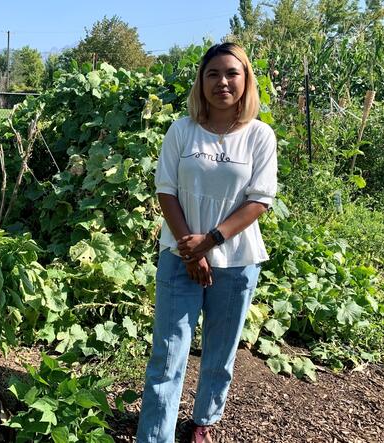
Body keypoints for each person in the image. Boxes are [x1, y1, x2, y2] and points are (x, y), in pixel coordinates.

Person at [136, 42, 278, 443]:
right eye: (212, 74)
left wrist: (209, 242)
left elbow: (259, 199)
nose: (222, 82)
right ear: (201, 82)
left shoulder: (259, 136)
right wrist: (189, 248)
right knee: (167, 353)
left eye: (232, 73)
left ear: (246, 80)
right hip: (178, 256)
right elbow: (166, 191)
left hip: (236, 260)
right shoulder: (182, 130)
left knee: (220, 351)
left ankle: (203, 422)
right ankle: (154, 436)